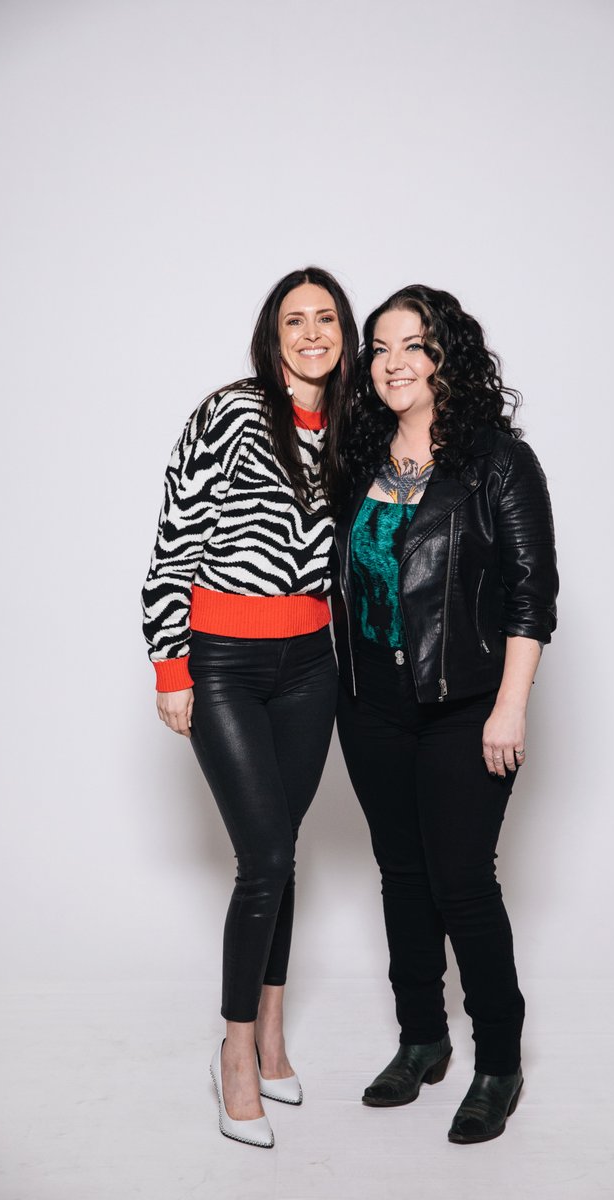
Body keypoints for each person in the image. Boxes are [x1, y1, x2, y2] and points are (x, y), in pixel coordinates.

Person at [333, 284, 558, 1144]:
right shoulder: (358, 460)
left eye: (413, 345)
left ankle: (498, 1062)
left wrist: (510, 708)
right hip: (371, 704)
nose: (393, 363)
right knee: (401, 873)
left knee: (462, 881)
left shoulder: (498, 462)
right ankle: (421, 1039)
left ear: (445, 357)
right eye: (380, 348)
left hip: (467, 705)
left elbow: (532, 597)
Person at [142, 267, 357, 1149]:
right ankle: (234, 1053)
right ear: (272, 336)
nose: (311, 333)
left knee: (285, 848)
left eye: (326, 318)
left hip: (312, 664)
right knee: (263, 854)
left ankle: (272, 1034)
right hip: (223, 660)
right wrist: (171, 667)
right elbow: (174, 538)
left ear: (344, 333)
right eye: (293, 320)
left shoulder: (350, 428)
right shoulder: (229, 412)